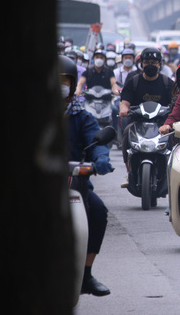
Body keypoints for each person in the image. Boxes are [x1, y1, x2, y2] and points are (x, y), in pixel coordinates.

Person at [59, 55, 113, 297]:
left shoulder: (81, 116)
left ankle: (86, 274)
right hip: (33, 184)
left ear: (71, 85)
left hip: (74, 182)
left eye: (64, 80)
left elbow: (96, 139)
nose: (59, 85)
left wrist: (101, 158)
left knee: (99, 212)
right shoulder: (27, 113)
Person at [118, 47, 175, 188]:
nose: (151, 65)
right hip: (138, 122)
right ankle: (129, 170)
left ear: (160, 64)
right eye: (147, 62)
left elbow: (176, 103)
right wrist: (124, 110)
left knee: (175, 139)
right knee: (126, 134)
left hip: (163, 124)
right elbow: (124, 102)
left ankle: (173, 172)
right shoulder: (133, 81)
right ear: (141, 63)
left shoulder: (167, 83)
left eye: (154, 62)